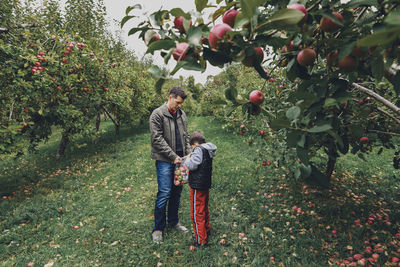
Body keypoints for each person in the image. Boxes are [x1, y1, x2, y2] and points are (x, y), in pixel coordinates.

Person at [149, 87, 191, 243]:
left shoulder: (181, 115)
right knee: (165, 192)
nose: (179, 106)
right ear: (170, 97)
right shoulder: (158, 114)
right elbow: (156, 139)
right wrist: (173, 156)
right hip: (165, 160)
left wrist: (187, 154)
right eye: (178, 102)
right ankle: (158, 229)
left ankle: (173, 221)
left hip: (180, 159)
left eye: (181, 103)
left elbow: (186, 135)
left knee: (176, 192)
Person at [183, 131, 217, 247]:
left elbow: (193, 164)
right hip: (205, 184)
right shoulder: (207, 149)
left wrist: (187, 160)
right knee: (204, 208)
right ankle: (205, 230)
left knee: (197, 212)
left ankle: (200, 240)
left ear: (195, 144)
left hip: (197, 185)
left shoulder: (198, 149)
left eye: (192, 147)